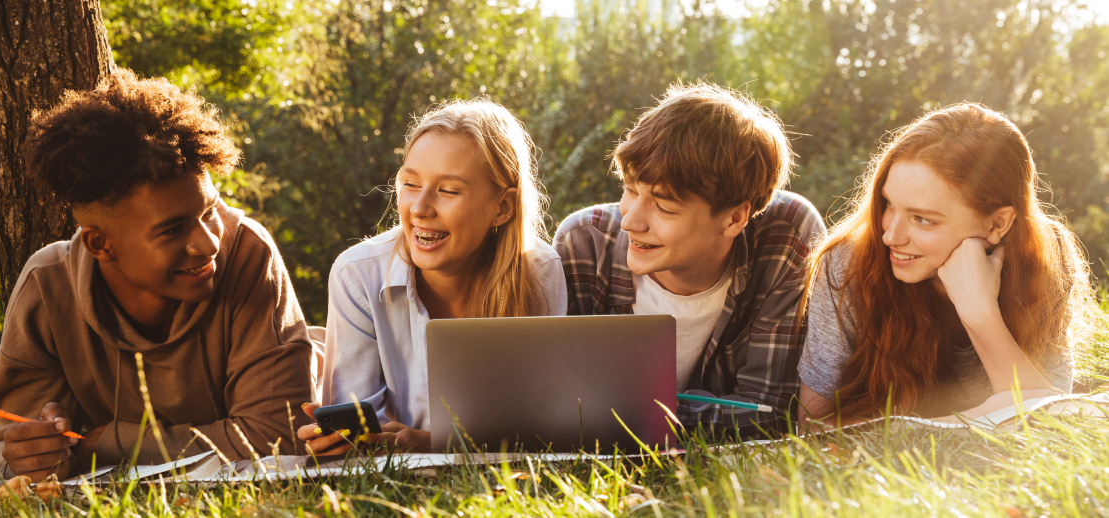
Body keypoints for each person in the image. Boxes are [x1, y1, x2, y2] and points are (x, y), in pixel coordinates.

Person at [0, 69, 317, 481]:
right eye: (173, 229)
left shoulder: (249, 254)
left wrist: (110, 444)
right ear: (100, 245)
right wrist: (28, 456)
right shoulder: (48, 286)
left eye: (209, 212)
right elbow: (2, 449)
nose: (209, 243)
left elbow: (280, 436)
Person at [797, 103, 1101, 427]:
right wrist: (972, 421)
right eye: (888, 204)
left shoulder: (1046, 261)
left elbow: (1052, 429)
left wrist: (979, 312)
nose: (890, 236)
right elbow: (811, 426)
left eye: (923, 219)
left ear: (997, 224)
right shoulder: (847, 264)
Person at [553, 82, 826, 440]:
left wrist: (624, 412)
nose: (631, 221)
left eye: (664, 206)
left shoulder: (789, 234)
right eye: (630, 189)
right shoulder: (582, 243)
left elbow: (768, 416)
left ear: (734, 219)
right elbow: (564, 408)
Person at [298, 99, 567, 455]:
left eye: (448, 191)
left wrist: (429, 443)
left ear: (502, 207)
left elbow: (545, 428)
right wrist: (339, 439)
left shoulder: (539, 269)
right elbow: (361, 438)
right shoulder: (358, 273)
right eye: (410, 184)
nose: (420, 209)